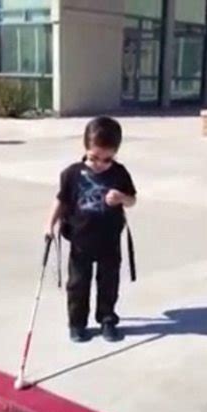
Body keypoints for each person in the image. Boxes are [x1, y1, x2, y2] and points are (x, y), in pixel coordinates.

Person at [45, 116, 137, 342]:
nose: (99, 164)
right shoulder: (71, 174)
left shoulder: (119, 173)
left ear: (115, 152)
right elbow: (62, 200)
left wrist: (122, 198)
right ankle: (77, 323)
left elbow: (133, 200)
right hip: (80, 240)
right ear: (85, 148)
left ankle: (106, 319)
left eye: (107, 159)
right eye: (94, 157)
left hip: (109, 238)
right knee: (77, 284)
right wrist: (49, 224)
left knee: (109, 282)